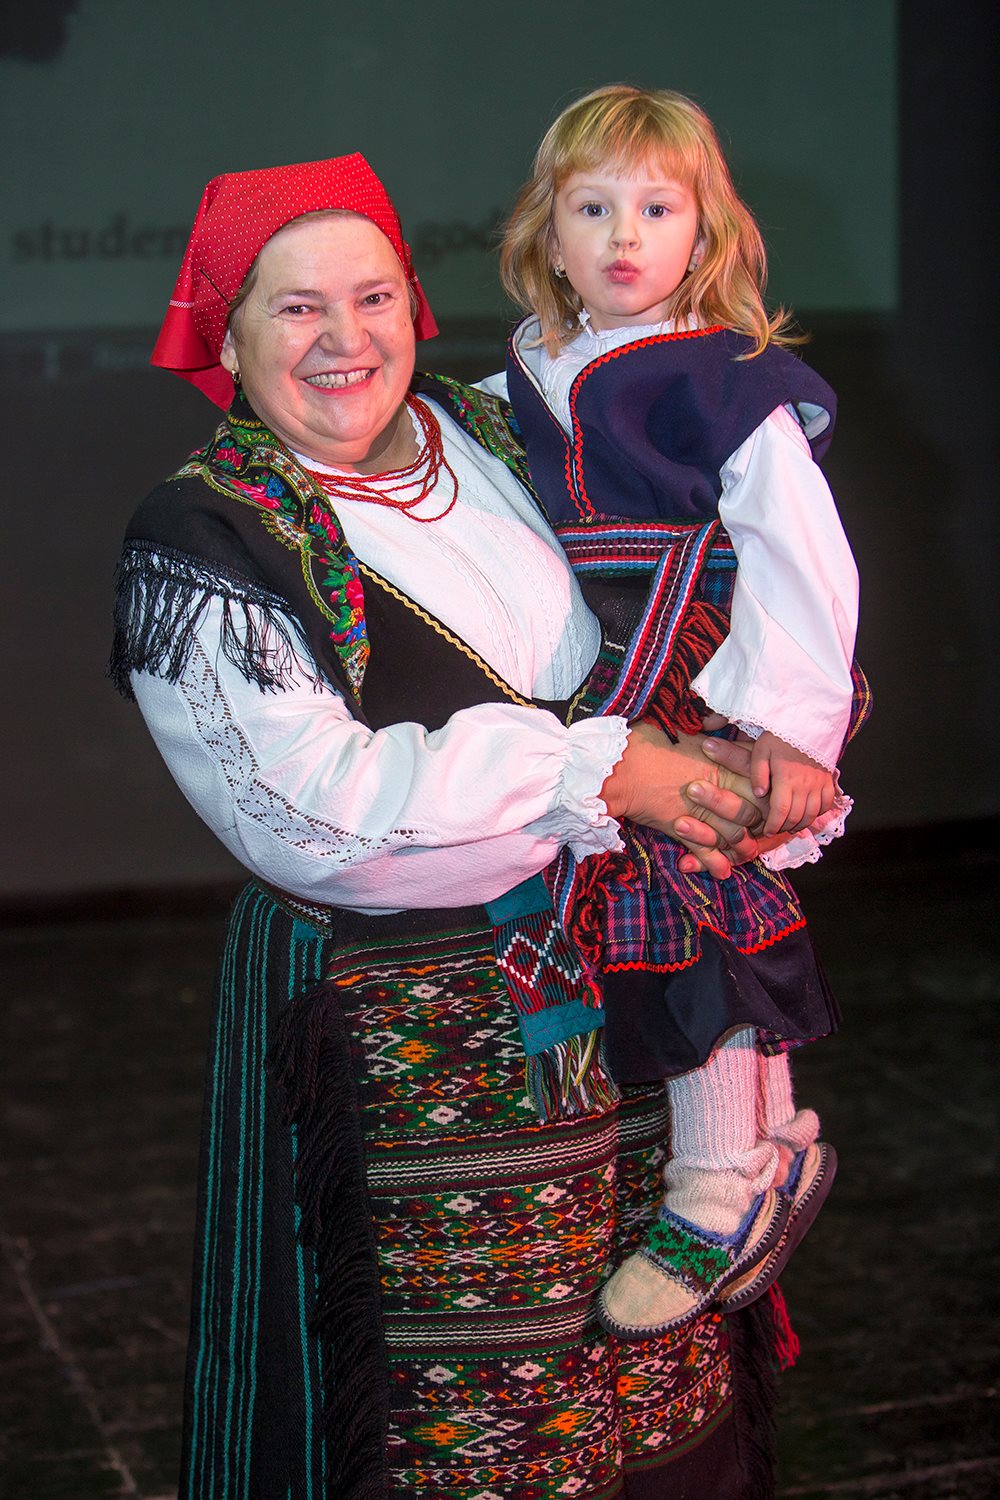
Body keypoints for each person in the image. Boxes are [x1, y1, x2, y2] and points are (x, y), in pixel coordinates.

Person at [112, 153, 804, 1499]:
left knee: (670, 1391)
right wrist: (606, 772)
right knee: (486, 1436)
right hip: (423, 1045)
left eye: (372, 297)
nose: (345, 338)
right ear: (227, 338)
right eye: (296, 308)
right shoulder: (207, 532)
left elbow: (717, 559)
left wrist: (769, 725)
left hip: (634, 978)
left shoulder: (508, 432)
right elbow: (314, 815)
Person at [495, 85, 867, 1339]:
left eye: (657, 209)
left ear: (705, 232)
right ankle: (768, 1147)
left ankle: (714, 1190)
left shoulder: (727, 375)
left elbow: (800, 555)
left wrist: (791, 731)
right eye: (592, 208)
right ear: (548, 235)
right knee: (654, 902)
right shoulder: (527, 365)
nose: (623, 236)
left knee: (693, 890)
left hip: (691, 665)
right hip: (594, 675)